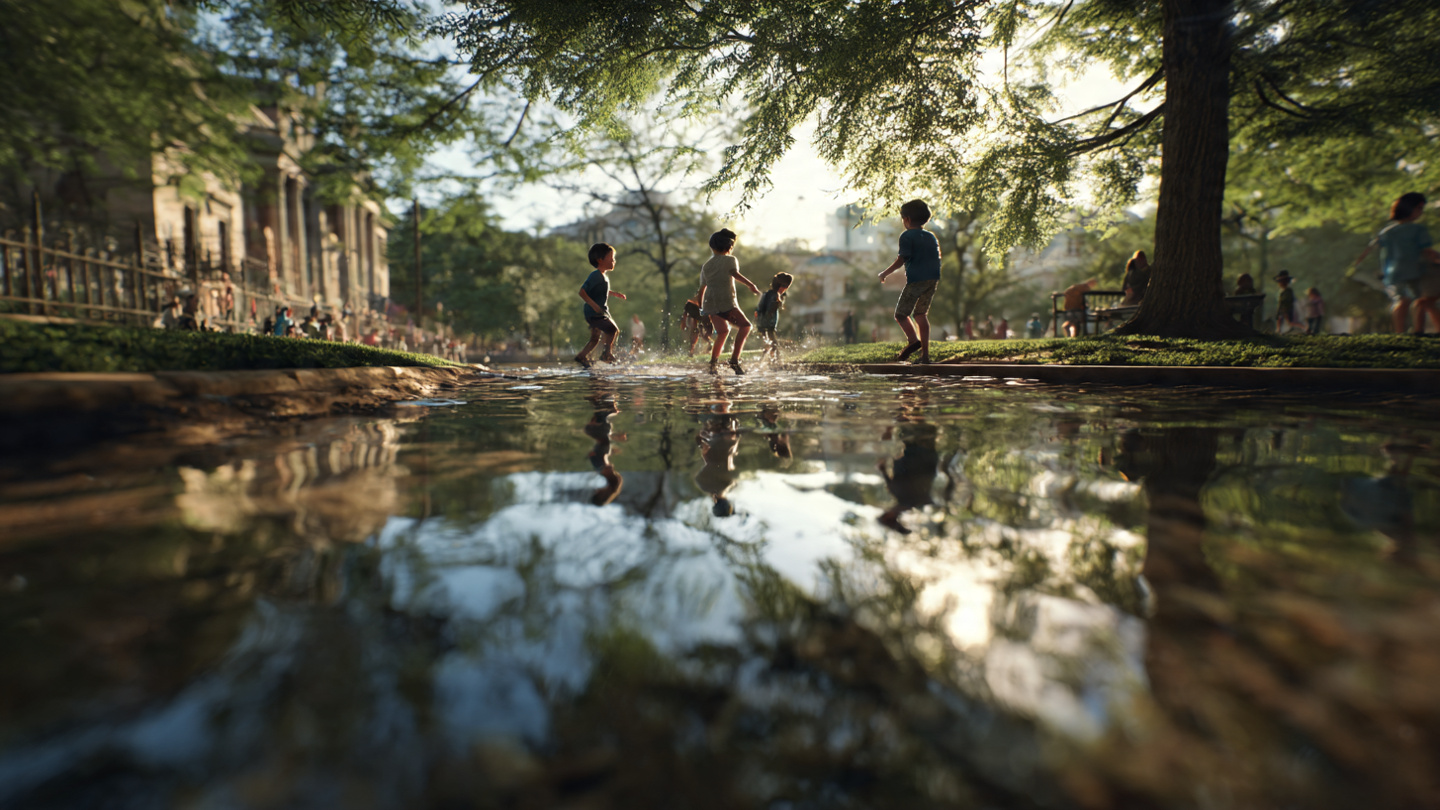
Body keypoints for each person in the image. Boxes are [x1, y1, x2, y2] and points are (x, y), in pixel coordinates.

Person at [1355, 192, 1440, 334]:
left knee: (1401, 300)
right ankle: (1420, 330)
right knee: (1422, 300)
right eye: (1419, 208)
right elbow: (1427, 252)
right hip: (1415, 269)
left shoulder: (1387, 231)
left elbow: (1370, 249)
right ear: (1411, 209)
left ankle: (1399, 332)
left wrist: (1359, 264)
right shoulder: (1418, 230)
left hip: (1394, 271)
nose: (1421, 212)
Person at [877, 199, 942, 364]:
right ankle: (925, 356)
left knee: (900, 314)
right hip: (932, 279)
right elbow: (937, 257)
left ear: (906, 219)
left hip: (916, 281)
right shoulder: (930, 236)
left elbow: (902, 259)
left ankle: (913, 341)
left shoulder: (906, 236)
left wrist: (884, 273)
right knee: (920, 314)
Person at [697, 228, 761, 374]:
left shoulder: (706, 265)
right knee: (746, 326)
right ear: (730, 247)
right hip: (725, 301)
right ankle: (734, 360)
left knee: (723, 332)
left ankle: (713, 364)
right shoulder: (730, 260)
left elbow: (702, 289)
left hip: (710, 303)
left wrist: (702, 309)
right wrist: (751, 285)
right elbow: (734, 274)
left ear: (712, 247)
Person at [575, 242, 628, 368]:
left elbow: (601, 290)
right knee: (613, 329)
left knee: (595, 338)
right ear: (600, 260)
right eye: (611, 258)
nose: (614, 261)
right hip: (594, 312)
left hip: (598, 311)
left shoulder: (602, 276)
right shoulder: (595, 275)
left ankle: (581, 356)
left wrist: (614, 294)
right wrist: (594, 305)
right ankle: (606, 354)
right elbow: (582, 292)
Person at [754, 272, 793, 363]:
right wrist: (777, 305)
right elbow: (770, 309)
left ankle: (764, 362)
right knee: (774, 344)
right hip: (768, 325)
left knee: (768, 344)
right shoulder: (775, 296)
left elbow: (759, 309)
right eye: (786, 288)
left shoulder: (766, 294)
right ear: (782, 287)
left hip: (762, 323)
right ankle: (777, 362)